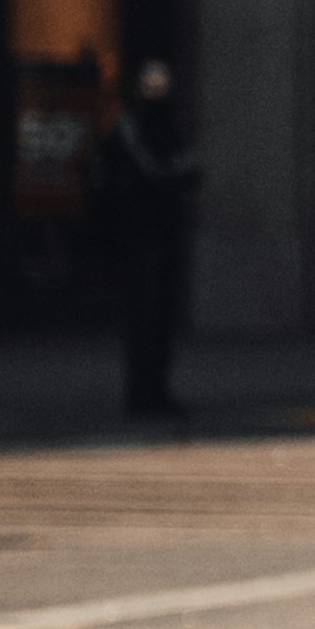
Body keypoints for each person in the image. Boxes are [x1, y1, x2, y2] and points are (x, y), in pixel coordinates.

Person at [92, 59, 207, 420]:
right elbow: (112, 177)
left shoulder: (169, 124)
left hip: (164, 228)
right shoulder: (129, 128)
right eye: (151, 82)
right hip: (138, 232)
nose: (157, 88)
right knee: (143, 314)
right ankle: (140, 391)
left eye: (162, 82)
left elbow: (187, 171)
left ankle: (156, 389)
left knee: (160, 315)